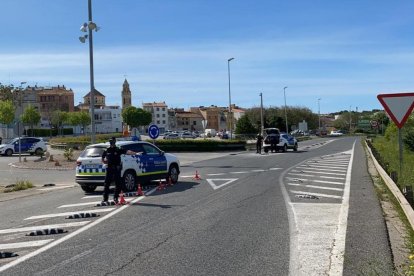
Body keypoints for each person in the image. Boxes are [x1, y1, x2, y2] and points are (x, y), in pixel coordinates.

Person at [101, 137, 139, 204]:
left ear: (114, 142)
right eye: (110, 142)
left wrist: (135, 153)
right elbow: (103, 157)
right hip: (109, 168)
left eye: (112, 142)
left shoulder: (118, 149)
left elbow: (127, 151)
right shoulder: (107, 150)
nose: (111, 143)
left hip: (116, 168)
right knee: (106, 184)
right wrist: (104, 162)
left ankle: (115, 197)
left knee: (118, 184)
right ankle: (105, 199)